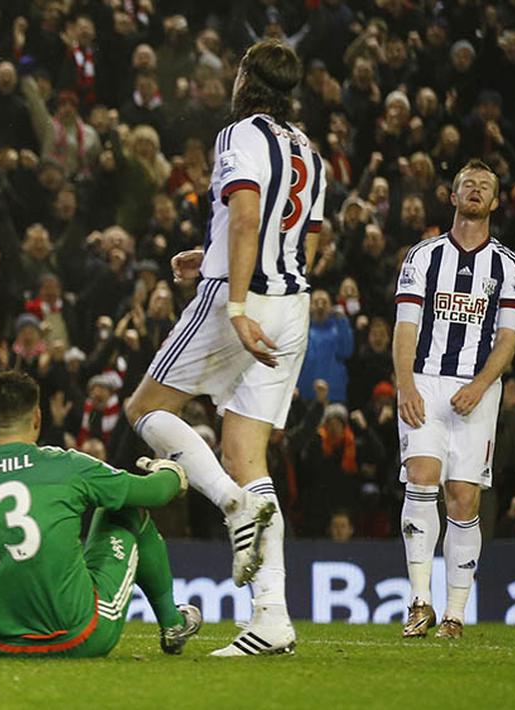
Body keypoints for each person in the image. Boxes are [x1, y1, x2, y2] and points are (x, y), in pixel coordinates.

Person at [122, 39, 324, 657]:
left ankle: (233, 509)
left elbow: (244, 216)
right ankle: (272, 620)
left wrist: (235, 301)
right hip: (293, 305)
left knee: (145, 410)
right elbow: (306, 239)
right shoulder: (310, 151)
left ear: (245, 79)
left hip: (240, 301)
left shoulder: (240, 135)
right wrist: (212, 258)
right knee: (246, 452)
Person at [0, 371, 202, 657]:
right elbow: (153, 493)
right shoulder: (67, 465)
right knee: (124, 509)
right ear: (38, 418)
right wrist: (172, 471)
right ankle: (173, 623)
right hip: (82, 636)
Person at [395, 160, 515, 640]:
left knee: (463, 498)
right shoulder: (423, 257)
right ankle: (418, 602)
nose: (474, 191)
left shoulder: (510, 268)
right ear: (452, 198)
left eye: (484, 187)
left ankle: (454, 614)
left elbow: (507, 340)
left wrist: (480, 384)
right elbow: (405, 326)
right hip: (425, 380)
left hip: (478, 388)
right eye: (466, 185)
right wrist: (406, 385)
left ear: (494, 203)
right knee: (421, 475)